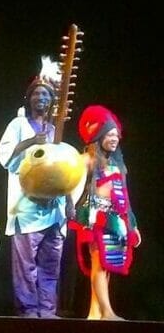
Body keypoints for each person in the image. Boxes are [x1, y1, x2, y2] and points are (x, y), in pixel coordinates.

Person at [0, 57, 76, 317]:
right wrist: (31, 141)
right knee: (26, 265)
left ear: (52, 101)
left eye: (45, 94)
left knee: (50, 264)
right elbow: (4, 156)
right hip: (26, 207)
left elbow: (64, 170)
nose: (41, 98)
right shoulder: (17, 125)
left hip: (53, 209)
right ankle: (28, 311)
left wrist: (70, 202)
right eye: (36, 94)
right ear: (29, 99)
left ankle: (48, 311)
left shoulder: (56, 130)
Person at [70, 105, 141, 320]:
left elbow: (125, 198)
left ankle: (95, 313)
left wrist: (133, 225)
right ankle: (108, 312)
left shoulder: (118, 164)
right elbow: (73, 189)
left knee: (106, 265)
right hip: (94, 219)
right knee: (99, 264)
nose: (114, 138)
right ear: (99, 136)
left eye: (116, 135)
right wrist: (70, 214)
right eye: (109, 134)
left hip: (115, 220)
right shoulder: (87, 160)